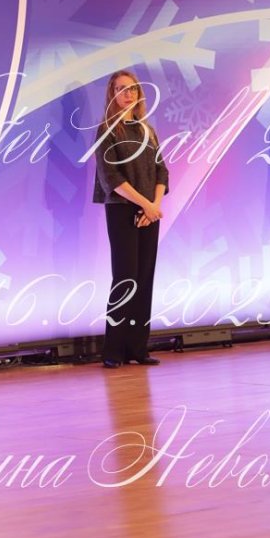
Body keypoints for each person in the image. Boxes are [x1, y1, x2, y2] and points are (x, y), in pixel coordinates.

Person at [93, 69, 169, 367]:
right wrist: (145, 205)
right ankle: (113, 351)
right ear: (112, 94)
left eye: (132, 89)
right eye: (121, 89)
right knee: (125, 278)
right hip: (122, 209)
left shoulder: (147, 130)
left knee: (144, 278)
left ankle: (138, 348)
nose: (128, 94)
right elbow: (111, 178)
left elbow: (162, 171)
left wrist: (154, 206)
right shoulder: (107, 131)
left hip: (149, 211)